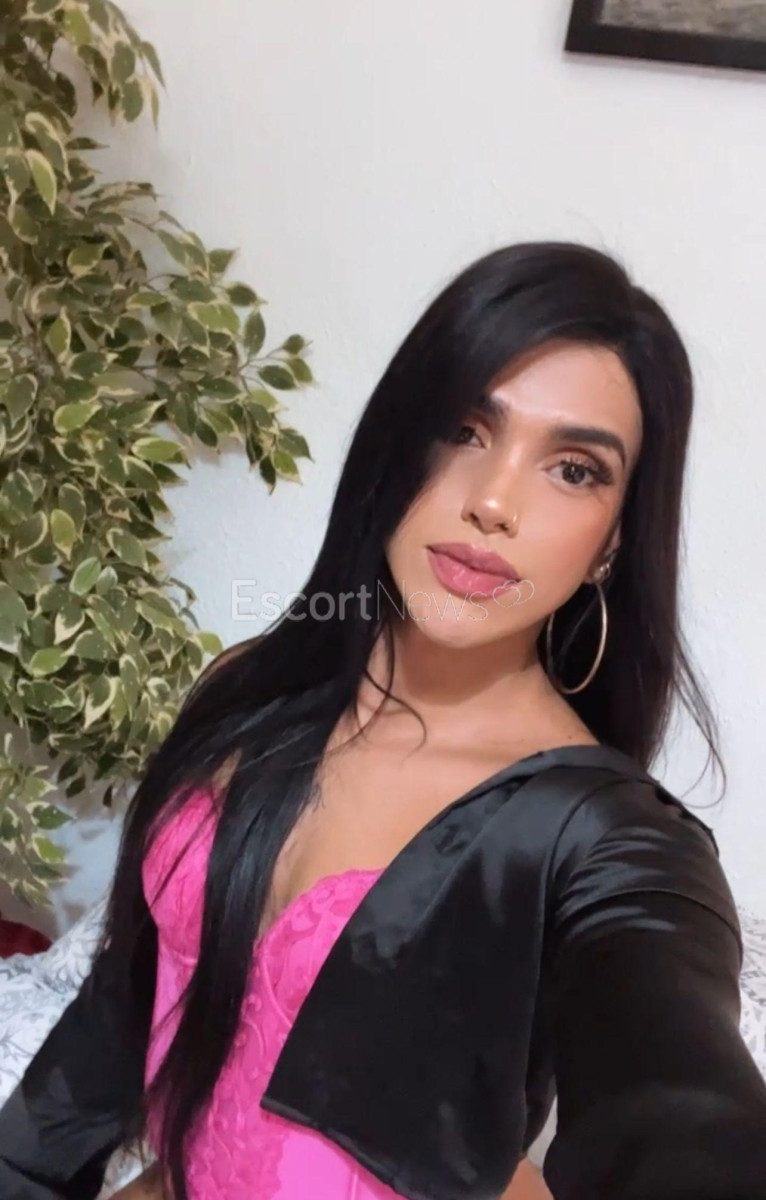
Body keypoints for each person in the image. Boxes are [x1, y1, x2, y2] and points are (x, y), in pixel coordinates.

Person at [1, 241, 765, 1200]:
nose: (494, 501)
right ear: (395, 443)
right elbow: (124, 1005)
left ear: (613, 539)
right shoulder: (250, 689)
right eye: (464, 429)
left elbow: (675, 1080)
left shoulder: (600, 835)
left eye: (574, 470)